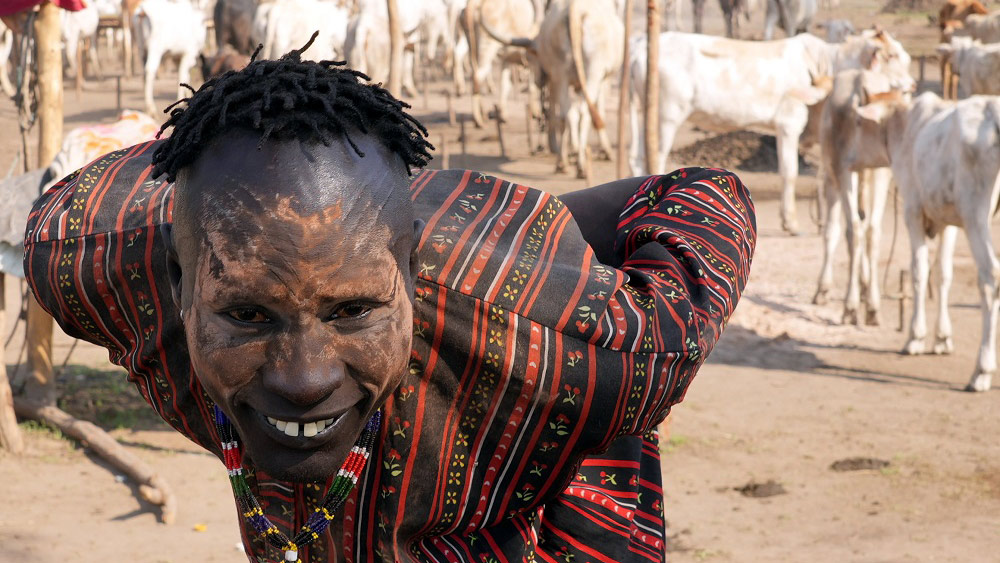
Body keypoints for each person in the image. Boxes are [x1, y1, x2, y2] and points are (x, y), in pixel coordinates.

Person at [24, 41, 756, 563]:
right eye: (249, 315)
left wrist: (502, 227)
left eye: (353, 309)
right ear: (179, 286)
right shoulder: (92, 262)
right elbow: (78, 212)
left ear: (410, 273)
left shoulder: (579, 337)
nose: (304, 378)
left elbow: (699, 198)